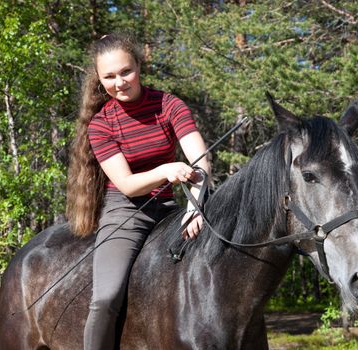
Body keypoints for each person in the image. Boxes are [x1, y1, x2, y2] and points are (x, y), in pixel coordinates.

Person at [65, 32, 211, 350]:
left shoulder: (169, 105)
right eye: (110, 76)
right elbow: (128, 183)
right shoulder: (101, 125)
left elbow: (200, 161)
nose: (120, 82)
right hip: (127, 209)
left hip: (172, 207)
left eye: (125, 72)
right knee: (106, 298)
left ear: (138, 66)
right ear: (99, 79)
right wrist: (165, 171)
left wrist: (194, 208)